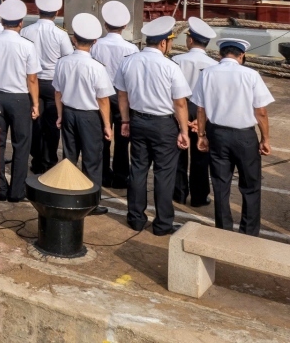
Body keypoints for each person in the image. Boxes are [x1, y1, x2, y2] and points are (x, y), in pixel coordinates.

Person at [115, 16, 191, 236]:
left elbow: (122, 94)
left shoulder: (129, 61)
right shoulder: (170, 66)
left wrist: (126, 120)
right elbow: (180, 103)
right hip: (163, 124)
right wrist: (184, 131)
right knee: (164, 174)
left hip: (138, 120)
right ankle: (163, 223)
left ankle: (136, 218)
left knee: (138, 169)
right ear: (163, 43)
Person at [193, 38, 275, 235]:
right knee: (251, 185)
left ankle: (223, 230)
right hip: (244, 136)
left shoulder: (208, 74)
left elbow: (201, 109)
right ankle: (249, 232)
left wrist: (201, 135)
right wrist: (265, 138)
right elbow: (261, 111)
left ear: (220, 54)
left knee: (221, 184)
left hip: (217, 133)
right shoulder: (251, 75)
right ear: (242, 55)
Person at [53, 13, 114, 214]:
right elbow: (103, 99)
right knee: (92, 160)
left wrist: (61, 115)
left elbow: (58, 92)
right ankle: (91, 202)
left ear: (73, 39)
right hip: (90, 117)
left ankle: (67, 194)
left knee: (69, 157)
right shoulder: (97, 68)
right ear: (94, 42)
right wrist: (107, 125)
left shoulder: (63, 62)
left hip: (69, 112)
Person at [0, 0, 38, 203]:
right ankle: (17, 191)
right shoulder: (27, 46)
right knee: (22, 144)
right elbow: (32, 78)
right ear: (20, 23)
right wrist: (35, 103)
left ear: (2, 21)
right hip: (19, 97)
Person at [22, 0, 74, 174]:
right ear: (57, 12)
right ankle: (50, 160)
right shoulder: (60, 34)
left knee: (35, 123)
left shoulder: (26, 31)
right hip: (53, 84)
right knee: (53, 124)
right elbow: (68, 58)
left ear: (37, 10)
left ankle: (37, 160)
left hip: (32, 82)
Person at [90, 0, 138, 189]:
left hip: (102, 95)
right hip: (122, 95)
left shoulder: (96, 45)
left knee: (102, 136)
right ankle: (121, 175)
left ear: (104, 24)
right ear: (125, 26)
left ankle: (102, 174)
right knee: (122, 136)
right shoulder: (131, 48)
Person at [171, 17, 217, 207]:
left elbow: (171, 90)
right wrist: (202, 119)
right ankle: (199, 196)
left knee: (179, 153)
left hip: (181, 106)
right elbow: (214, 95)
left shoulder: (176, 60)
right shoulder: (214, 65)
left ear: (190, 40)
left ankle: (179, 193)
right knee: (201, 155)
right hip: (203, 110)